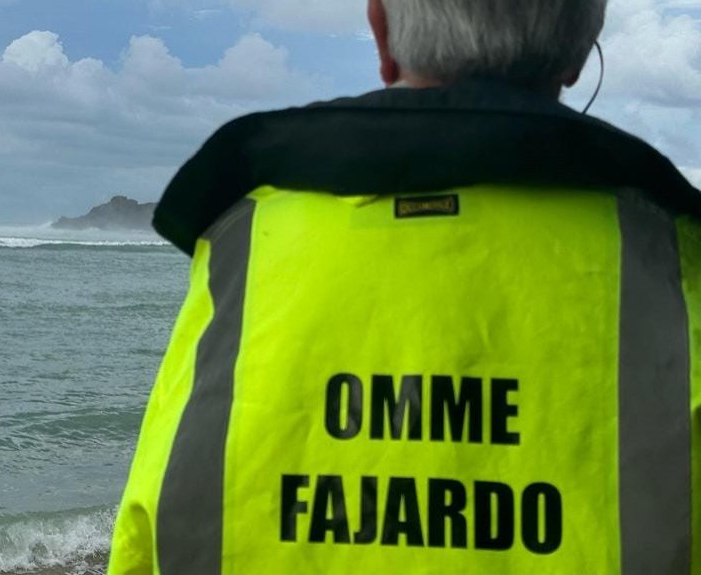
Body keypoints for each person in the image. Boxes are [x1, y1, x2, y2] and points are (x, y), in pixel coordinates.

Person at [108, 0, 700, 573]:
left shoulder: (244, 240)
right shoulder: (674, 260)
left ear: (382, 35)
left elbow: (148, 524)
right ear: (576, 54)